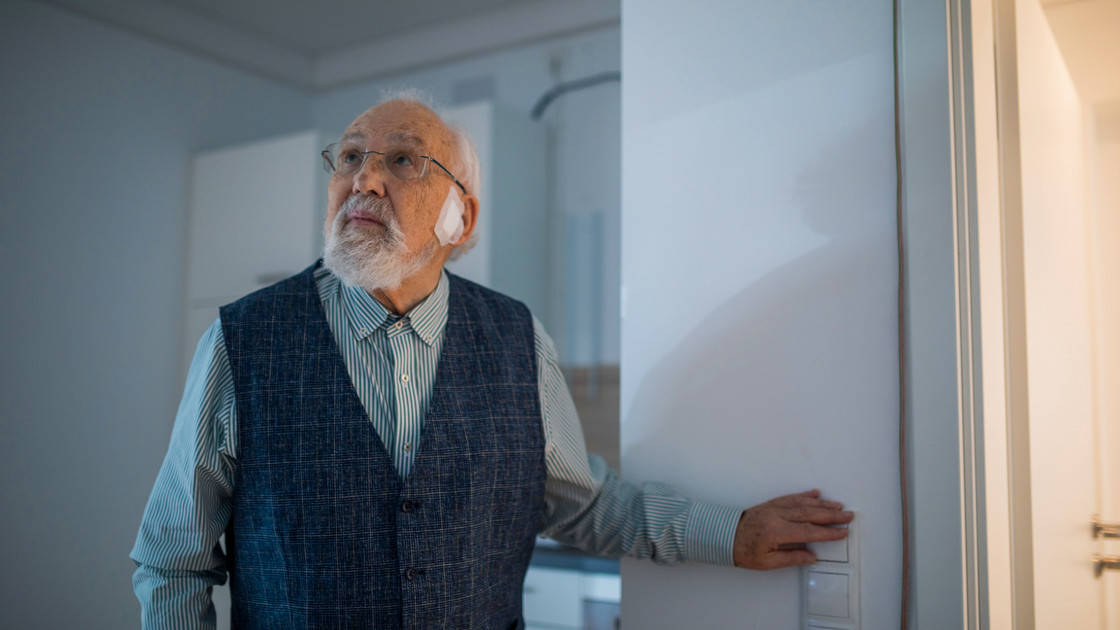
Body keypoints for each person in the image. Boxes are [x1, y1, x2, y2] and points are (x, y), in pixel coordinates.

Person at [131, 95, 853, 629]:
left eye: (403, 160)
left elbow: (587, 507)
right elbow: (172, 562)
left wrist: (729, 532)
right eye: (350, 156)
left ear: (462, 218)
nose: (365, 180)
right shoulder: (241, 341)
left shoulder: (517, 339)